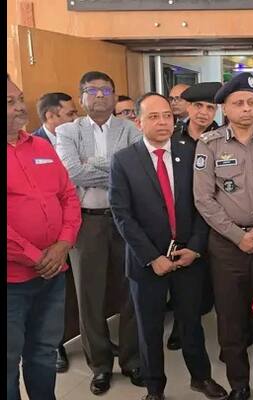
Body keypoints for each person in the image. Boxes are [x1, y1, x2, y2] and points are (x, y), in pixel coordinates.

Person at [109, 92, 227, 400]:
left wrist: (196, 248)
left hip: (187, 256)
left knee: (191, 324)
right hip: (146, 261)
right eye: (153, 117)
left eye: (167, 116)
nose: (163, 122)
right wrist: (152, 257)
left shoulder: (191, 153)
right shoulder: (123, 160)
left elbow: (204, 204)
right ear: (138, 122)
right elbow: (121, 214)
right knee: (149, 329)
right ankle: (154, 388)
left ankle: (201, 378)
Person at [193, 72, 253, 400]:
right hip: (227, 246)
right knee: (230, 319)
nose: (247, 108)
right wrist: (237, 236)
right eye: (238, 103)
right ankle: (239, 384)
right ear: (225, 109)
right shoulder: (210, 144)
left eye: (251, 102)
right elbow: (203, 199)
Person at [56, 71, 144, 394]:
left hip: (125, 219)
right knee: (89, 295)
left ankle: (132, 360)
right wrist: (112, 167)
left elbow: (135, 171)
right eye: (91, 91)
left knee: (131, 291)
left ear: (114, 96)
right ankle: (101, 365)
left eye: (106, 90)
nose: (99, 96)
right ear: (81, 97)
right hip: (86, 222)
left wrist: (92, 164)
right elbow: (71, 172)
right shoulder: (67, 131)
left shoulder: (130, 129)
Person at [7, 74, 81, 400]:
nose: (20, 107)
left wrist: (64, 244)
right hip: (13, 281)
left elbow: (69, 196)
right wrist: (36, 256)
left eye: (19, 98)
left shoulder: (41, 147)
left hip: (52, 275)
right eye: (9, 102)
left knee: (44, 351)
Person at [165, 82, 222, 352]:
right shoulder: (172, 139)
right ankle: (181, 325)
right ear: (187, 107)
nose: (203, 113)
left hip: (218, 221)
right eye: (198, 106)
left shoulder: (223, 138)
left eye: (210, 107)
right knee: (185, 284)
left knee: (214, 287)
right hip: (184, 221)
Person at [33, 91, 81, 373]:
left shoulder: (77, 137)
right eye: (70, 114)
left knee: (76, 291)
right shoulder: (33, 145)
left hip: (74, 227)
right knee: (48, 296)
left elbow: (74, 183)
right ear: (51, 116)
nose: (76, 118)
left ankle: (87, 339)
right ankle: (55, 346)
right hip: (45, 239)